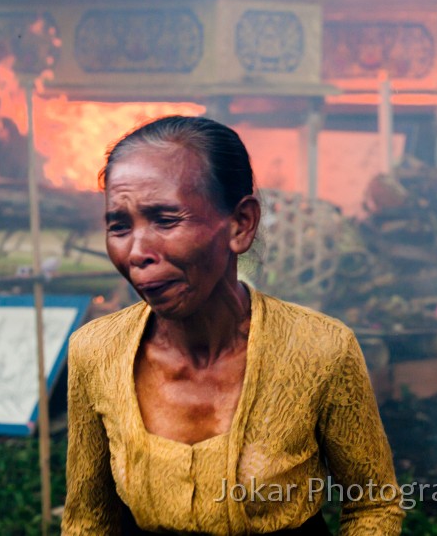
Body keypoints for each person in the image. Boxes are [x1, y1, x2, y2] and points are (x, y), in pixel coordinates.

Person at [61, 116, 404, 535]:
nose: (136, 252)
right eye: (119, 226)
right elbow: (87, 521)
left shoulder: (321, 350)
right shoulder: (95, 352)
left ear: (241, 224)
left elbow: (373, 506)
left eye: (166, 220)